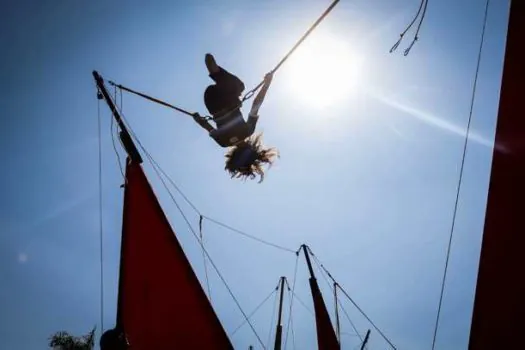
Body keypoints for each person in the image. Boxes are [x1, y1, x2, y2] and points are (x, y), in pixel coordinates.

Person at [193, 53, 278, 182]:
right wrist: (198, 119)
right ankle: (216, 73)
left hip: (225, 100)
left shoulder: (248, 130)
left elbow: (256, 104)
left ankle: (216, 72)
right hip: (210, 101)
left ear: (251, 148)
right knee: (234, 94)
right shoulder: (223, 143)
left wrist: (267, 83)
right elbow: (206, 126)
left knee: (239, 87)